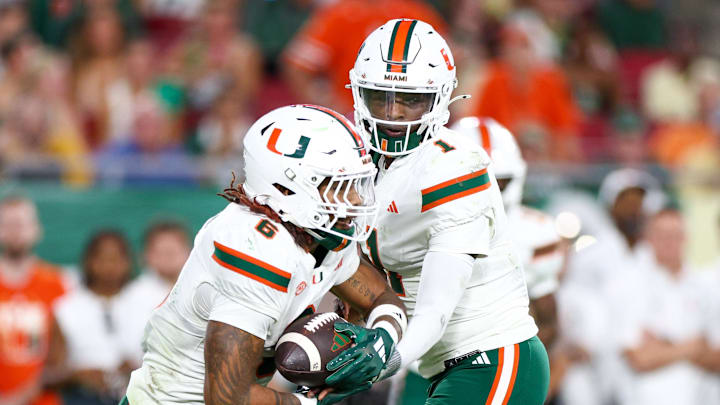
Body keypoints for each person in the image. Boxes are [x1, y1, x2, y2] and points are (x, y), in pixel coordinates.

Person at [325, 19, 549, 405]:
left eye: (410, 100)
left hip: (493, 358)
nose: (392, 114)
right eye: (381, 96)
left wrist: (380, 362)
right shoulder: (353, 160)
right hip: (432, 366)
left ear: (440, 97)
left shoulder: (453, 167)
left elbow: (435, 310)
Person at [123, 104, 407, 405]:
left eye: (356, 184)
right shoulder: (254, 249)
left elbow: (380, 298)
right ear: (285, 188)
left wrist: (381, 342)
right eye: (339, 186)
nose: (354, 199)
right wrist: (314, 402)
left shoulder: (316, 233)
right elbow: (226, 399)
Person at [451, 116, 566, 400]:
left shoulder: (535, 232)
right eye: (475, 182)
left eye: (497, 182)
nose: (488, 192)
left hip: (498, 364)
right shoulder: (417, 223)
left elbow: (549, 322)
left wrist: (512, 360)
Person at [608, 209, 708, 405]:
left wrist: (664, 344)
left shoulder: (704, 285)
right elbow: (638, 358)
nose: (669, 242)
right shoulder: (628, 285)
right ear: (648, 239)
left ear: (686, 238)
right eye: (662, 235)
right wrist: (693, 345)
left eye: (675, 235)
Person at [47, 230, 136, 405]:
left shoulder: (146, 303)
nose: (109, 266)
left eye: (116, 259)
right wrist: (79, 375)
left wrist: (135, 369)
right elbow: (50, 374)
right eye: (102, 259)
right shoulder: (67, 308)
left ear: (128, 262)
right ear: (88, 262)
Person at [0, 196, 68, 405]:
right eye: (8, 224)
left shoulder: (58, 283)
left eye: (21, 224)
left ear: (36, 229)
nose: (15, 231)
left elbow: (66, 352)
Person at [117, 221, 191, 367]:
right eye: (161, 252)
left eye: (173, 251)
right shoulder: (134, 295)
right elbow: (133, 349)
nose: (168, 258)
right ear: (146, 256)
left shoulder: (204, 289)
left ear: (190, 252)